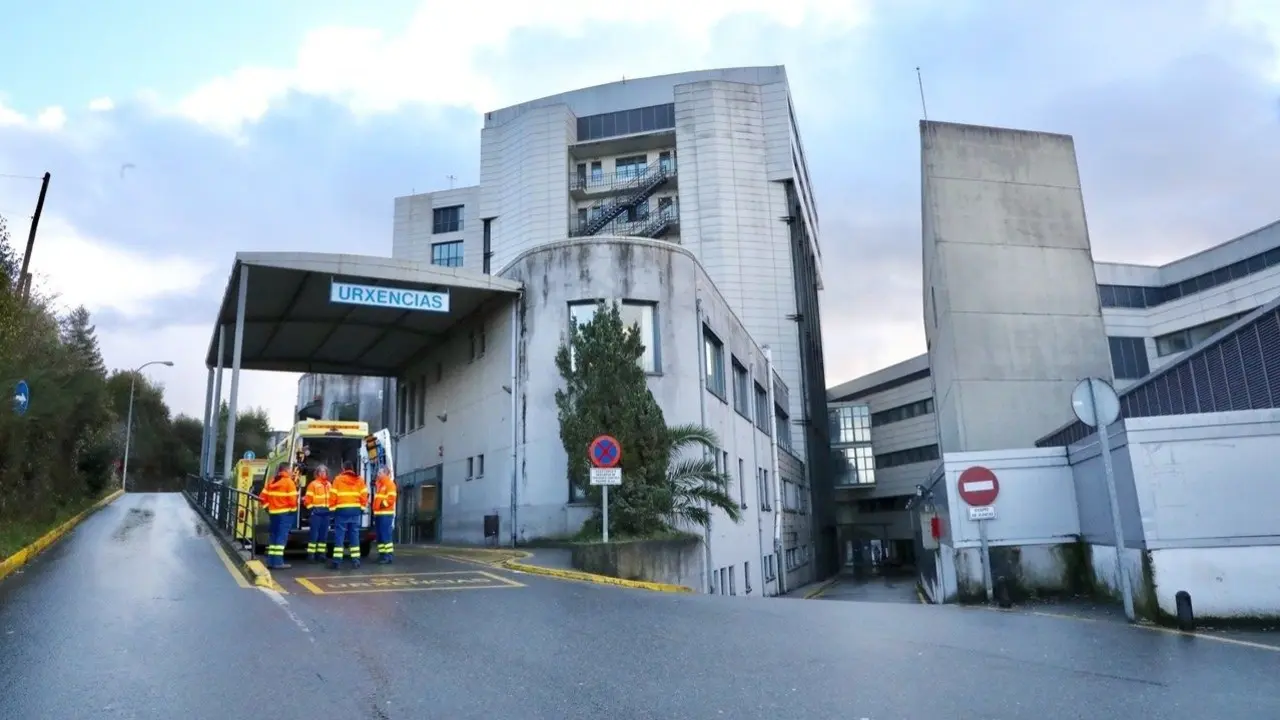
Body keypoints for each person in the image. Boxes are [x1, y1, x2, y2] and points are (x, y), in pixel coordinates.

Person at [327, 460, 369, 570]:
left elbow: (333, 496)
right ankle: (356, 560)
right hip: (355, 511)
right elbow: (364, 496)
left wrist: (332, 510)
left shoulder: (338, 479)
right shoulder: (360, 480)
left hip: (341, 511)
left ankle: (337, 561)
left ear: (343, 468)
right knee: (354, 535)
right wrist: (361, 509)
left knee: (339, 536)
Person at [259, 464, 299, 569]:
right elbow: (293, 501)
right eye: (290, 469)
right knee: (281, 539)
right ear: (286, 470)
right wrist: (293, 512)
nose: (292, 471)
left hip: (273, 514)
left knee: (274, 537)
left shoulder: (272, 481)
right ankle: (278, 562)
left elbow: (262, 498)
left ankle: (271, 561)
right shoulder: (289, 482)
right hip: (285, 515)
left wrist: (268, 508)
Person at [302, 464, 333, 562]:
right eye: (321, 471)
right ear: (317, 473)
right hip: (316, 513)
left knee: (323, 535)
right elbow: (307, 500)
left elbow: (331, 498)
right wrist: (312, 510)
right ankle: (311, 555)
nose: (323, 473)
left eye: (324, 471)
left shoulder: (329, 484)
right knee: (314, 535)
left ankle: (321, 554)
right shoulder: (313, 484)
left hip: (326, 512)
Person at [371, 466, 398, 564]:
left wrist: (382, 505)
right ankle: (382, 555)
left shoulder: (389, 484)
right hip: (379, 514)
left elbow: (391, 499)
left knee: (386, 535)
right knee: (380, 536)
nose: (378, 474)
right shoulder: (380, 485)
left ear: (385, 473)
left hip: (385, 515)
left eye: (380, 473)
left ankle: (388, 556)